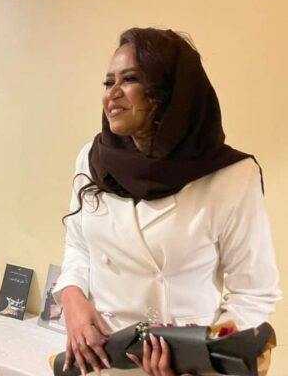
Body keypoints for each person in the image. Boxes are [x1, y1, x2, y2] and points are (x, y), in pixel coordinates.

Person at [52, 27, 281, 376]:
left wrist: (202, 355)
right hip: (103, 356)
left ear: (169, 91)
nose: (111, 94)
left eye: (129, 79)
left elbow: (254, 293)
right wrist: (72, 297)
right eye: (108, 82)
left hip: (181, 365)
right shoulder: (92, 158)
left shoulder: (231, 175)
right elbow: (79, 247)